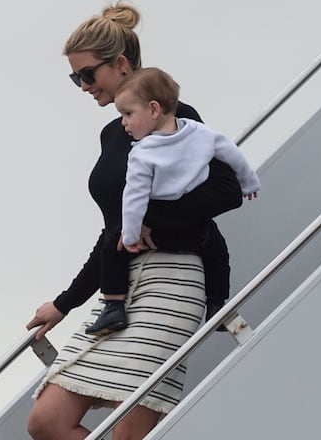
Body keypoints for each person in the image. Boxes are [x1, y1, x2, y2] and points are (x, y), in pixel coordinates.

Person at [25, 3, 245, 439]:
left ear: (121, 64)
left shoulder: (175, 118)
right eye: (75, 78)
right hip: (122, 285)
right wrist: (65, 303)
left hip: (173, 279)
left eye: (88, 75)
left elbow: (227, 189)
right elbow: (113, 232)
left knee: (128, 435)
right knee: (46, 422)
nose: (83, 86)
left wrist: (155, 221)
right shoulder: (113, 134)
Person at [85, 67, 260, 336]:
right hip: (193, 231)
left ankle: (113, 306)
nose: (123, 123)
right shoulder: (198, 132)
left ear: (153, 110)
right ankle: (216, 304)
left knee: (113, 246)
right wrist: (250, 182)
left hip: (154, 234)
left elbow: (133, 198)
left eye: (128, 115)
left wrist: (130, 234)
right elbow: (231, 153)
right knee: (217, 251)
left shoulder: (142, 154)